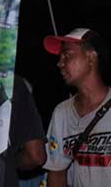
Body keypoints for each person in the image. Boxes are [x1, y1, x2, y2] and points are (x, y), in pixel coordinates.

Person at [43, 28, 111, 187]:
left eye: (67, 55)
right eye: (60, 57)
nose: (60, 63)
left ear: (91, 57)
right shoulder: (62, 112)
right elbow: (57, 172)